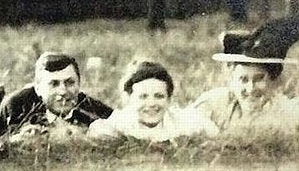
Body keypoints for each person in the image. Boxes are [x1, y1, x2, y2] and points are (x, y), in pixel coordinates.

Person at [191, 15, 299, 132]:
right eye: (243, 79)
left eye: (259, 79)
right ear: (232, 79)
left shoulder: (289, 114)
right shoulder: (215, 103)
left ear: (274, 80)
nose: (250, 89)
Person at [0, 52, 113, 139]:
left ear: (79, 84)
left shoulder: (88, 105)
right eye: (54, 84)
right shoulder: (18, 105)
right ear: (38, 88)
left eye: (70, 83)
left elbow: (119, 123)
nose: (63, 91)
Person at [89, 60, 218, 142]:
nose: (151, 104)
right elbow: (97, 130)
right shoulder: (119, 122)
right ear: (130, 99)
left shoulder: (182, 121)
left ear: (169, 100)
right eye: (143, 96)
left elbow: (212, 131)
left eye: (159, 96)